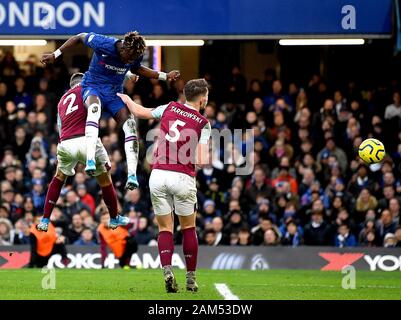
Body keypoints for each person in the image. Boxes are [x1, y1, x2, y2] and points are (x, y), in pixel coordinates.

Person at [41, 31, 180, 189]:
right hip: (93, 86)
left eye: (132, 59)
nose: (129, 60)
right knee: (94, 109)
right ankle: (90, 159)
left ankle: (132, 175)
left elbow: (138, 69)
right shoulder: (105, 43)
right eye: (128, 57)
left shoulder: (135, 54)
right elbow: (78, 37)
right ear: (123, 48)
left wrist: (165, 76)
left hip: (114, 93)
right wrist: (55, 53)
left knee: (130, 127)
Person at [118, 78, 211, 293]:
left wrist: (126, 99)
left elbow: (140, 112)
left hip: (158, 174)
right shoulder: (203, 123)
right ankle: (190, 278)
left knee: (164, 228)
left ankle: (168, 271)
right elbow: (202, 159)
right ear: (202, 99)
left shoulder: (170, 107)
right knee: (188, 227)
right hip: (182, 177)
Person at [36, 73, 128, 232]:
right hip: (86, 140)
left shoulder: (62, 101)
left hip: (65, 143)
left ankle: (45, 219)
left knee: (59, 178)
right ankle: (114, 217)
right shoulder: (89, 89)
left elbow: (60, 126)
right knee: (105, 179)